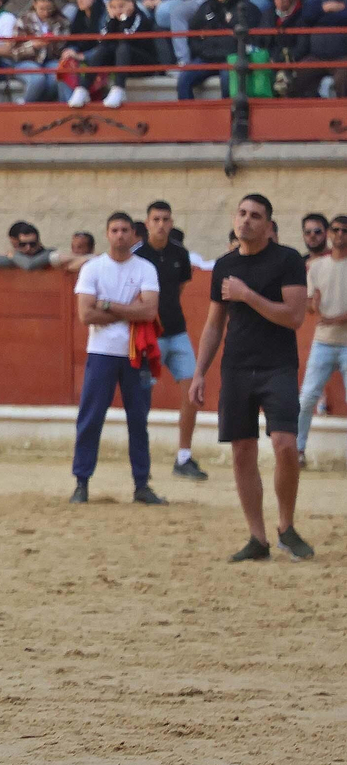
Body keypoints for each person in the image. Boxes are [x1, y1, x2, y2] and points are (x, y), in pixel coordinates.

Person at [190, 194, 313, 561]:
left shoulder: (288, 259)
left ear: (268, 225)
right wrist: (199, 373)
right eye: (242, 214)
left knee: (286, 446)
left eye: (255, 216)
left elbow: (294, 317)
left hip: (278, 365)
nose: (246, 221)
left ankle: (286, 527)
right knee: (243, 452)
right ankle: (257, 538)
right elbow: (214, 325)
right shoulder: (225, 265)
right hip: (237, 367)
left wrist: (247, 295)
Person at [70, 212, 168, 505]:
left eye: (125, 230)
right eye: (115, 230)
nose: (120, 235)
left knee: (138, 420)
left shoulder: (146, 268)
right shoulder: (92, 268)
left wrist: (109, 305)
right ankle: (81, 482)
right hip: (102, 352)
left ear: (134, 235)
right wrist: (129, 309)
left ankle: (141, 484)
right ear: (107, 233)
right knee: (90, 418)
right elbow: (86, 315)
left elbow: (149, 312)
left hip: (134, 354)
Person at [131, 200, 207, 480]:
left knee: (192, 393)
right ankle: (141, 460)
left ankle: (183, 456)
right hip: (149, 334)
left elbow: (179, 288)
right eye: (156, 219)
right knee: (141, 397)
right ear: (148, 223)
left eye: (166, 219)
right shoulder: (136, 255)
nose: (161, 224)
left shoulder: (180, 254)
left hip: (177, 332)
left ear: (171, 223)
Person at [298, 214, 347, 466]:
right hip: (323, 341)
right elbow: (307, 305)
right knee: (307, 398)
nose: (340, 234)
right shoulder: (316, 267)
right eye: (336, 230)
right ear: (330, 233)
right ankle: (298, 451)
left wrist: (335, 319)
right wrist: (313, 305)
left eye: (344, 231)